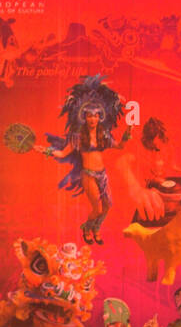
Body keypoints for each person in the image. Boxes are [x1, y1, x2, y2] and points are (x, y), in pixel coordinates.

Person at [39, 75, 133, 245]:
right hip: (88, 175)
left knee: (107, 206)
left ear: (100, 117)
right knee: (96, 207)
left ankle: (95, 228)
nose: (92, 119)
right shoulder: (77, 136)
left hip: (102, 175)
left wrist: (126, 136)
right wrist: (45, 150)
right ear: (84, 117)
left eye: (96, 116)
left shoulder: (103, 134)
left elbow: (119, 146)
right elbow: (62, 153)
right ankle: (86, 228)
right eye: (89, 116)